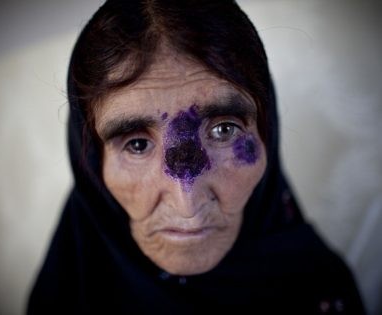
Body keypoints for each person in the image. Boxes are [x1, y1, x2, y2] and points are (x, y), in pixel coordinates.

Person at [27, 0, 365, 313]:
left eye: (224, 131)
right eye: (137, 145)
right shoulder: (68, 291)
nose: (186, 204)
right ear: (91, 165)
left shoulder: (321, 291)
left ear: (267, 131)